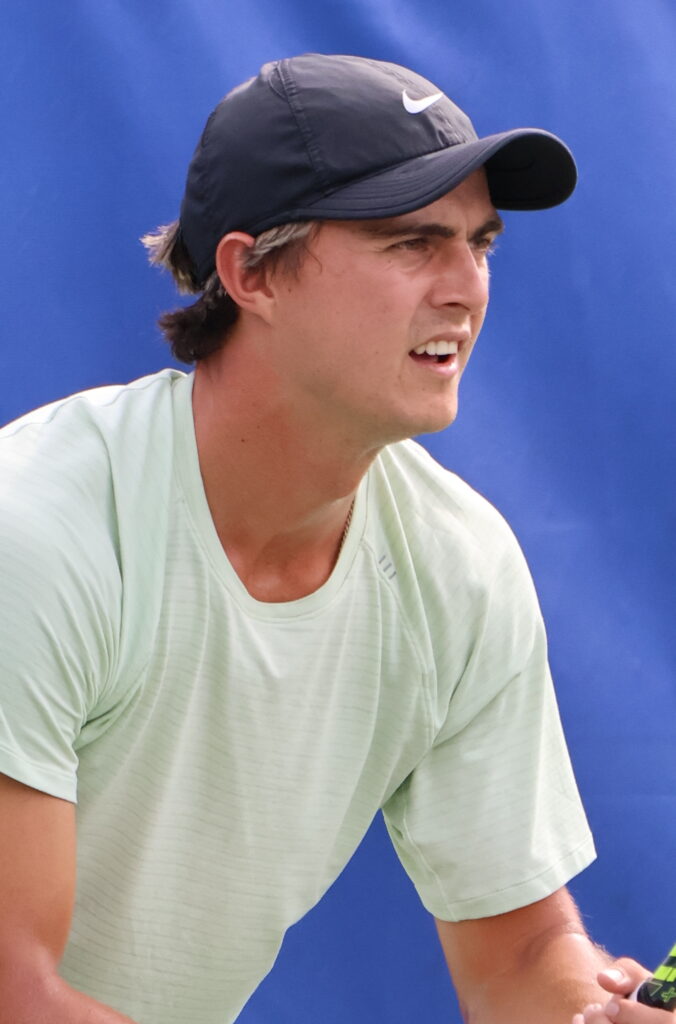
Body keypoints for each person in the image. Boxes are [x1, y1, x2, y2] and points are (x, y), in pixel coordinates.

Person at [0, 51, 644, 1023]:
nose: (466, 287)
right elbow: (16, 991)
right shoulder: (36, 530)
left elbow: (518, 956)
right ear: (251, 273)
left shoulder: (459, 565)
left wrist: (597, 1015)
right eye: (412, 242)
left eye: (479, 244)